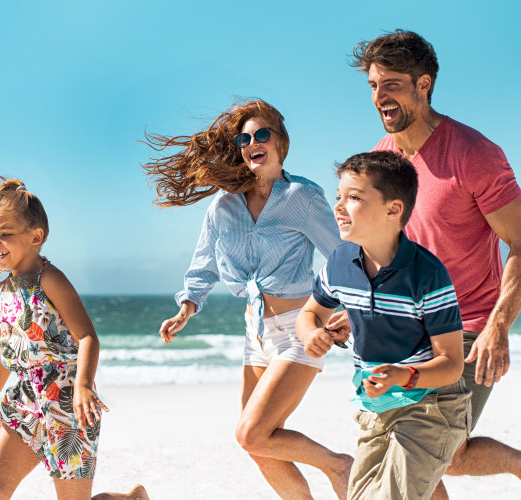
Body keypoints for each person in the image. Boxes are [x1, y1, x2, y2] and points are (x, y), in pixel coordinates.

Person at [143, 99, 353, 499]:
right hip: (254, 334)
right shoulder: (222, 206)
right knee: (256, 444)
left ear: (280, 141)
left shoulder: (302, 196)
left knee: (252, 431)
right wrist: (186, 307)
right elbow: (203, 266)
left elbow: (342, 256)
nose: (253, 142)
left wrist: (346, 310)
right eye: (244, 138)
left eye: (262, 134)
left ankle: (339, 465)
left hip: (299, 329)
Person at [345, 29, 521, 496]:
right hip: (402, 331)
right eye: (373, 86)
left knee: (429, 452)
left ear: (424, 85)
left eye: (392, 84)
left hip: (464, 330)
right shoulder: (381, 163)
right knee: (439, 456)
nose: (380, 96)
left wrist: (498, 326)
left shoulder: (473, 154)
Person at [0, 177, 149, 500]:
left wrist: (84, 386)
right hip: (24, 399)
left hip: (67, 402)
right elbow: (4, 351)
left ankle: (130, 499)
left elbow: (87, 337)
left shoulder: (51, 279)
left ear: (35, 236)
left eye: (5, 234)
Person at [297, 151, 471, 499]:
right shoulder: (339, 262)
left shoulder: (428, 274)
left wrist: (402, 376)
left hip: (430, 405)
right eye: (339, 197)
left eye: (355, 198)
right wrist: (312, 333)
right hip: (375, 404)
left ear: (393, 210)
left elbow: (451, 364)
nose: (339, 207)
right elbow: (309, 313)